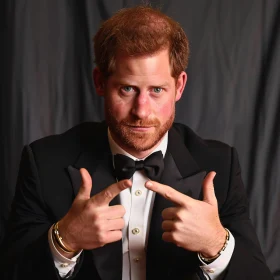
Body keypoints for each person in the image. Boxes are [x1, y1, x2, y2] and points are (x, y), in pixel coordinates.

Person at [1, 5, 273, 280]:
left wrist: (216, 246)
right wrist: (65, 241)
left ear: (179, 86)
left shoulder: (219, 165)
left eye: (157, 90)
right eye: (127, 89)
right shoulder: (45, 162)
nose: (141, 111)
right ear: (100, 83)